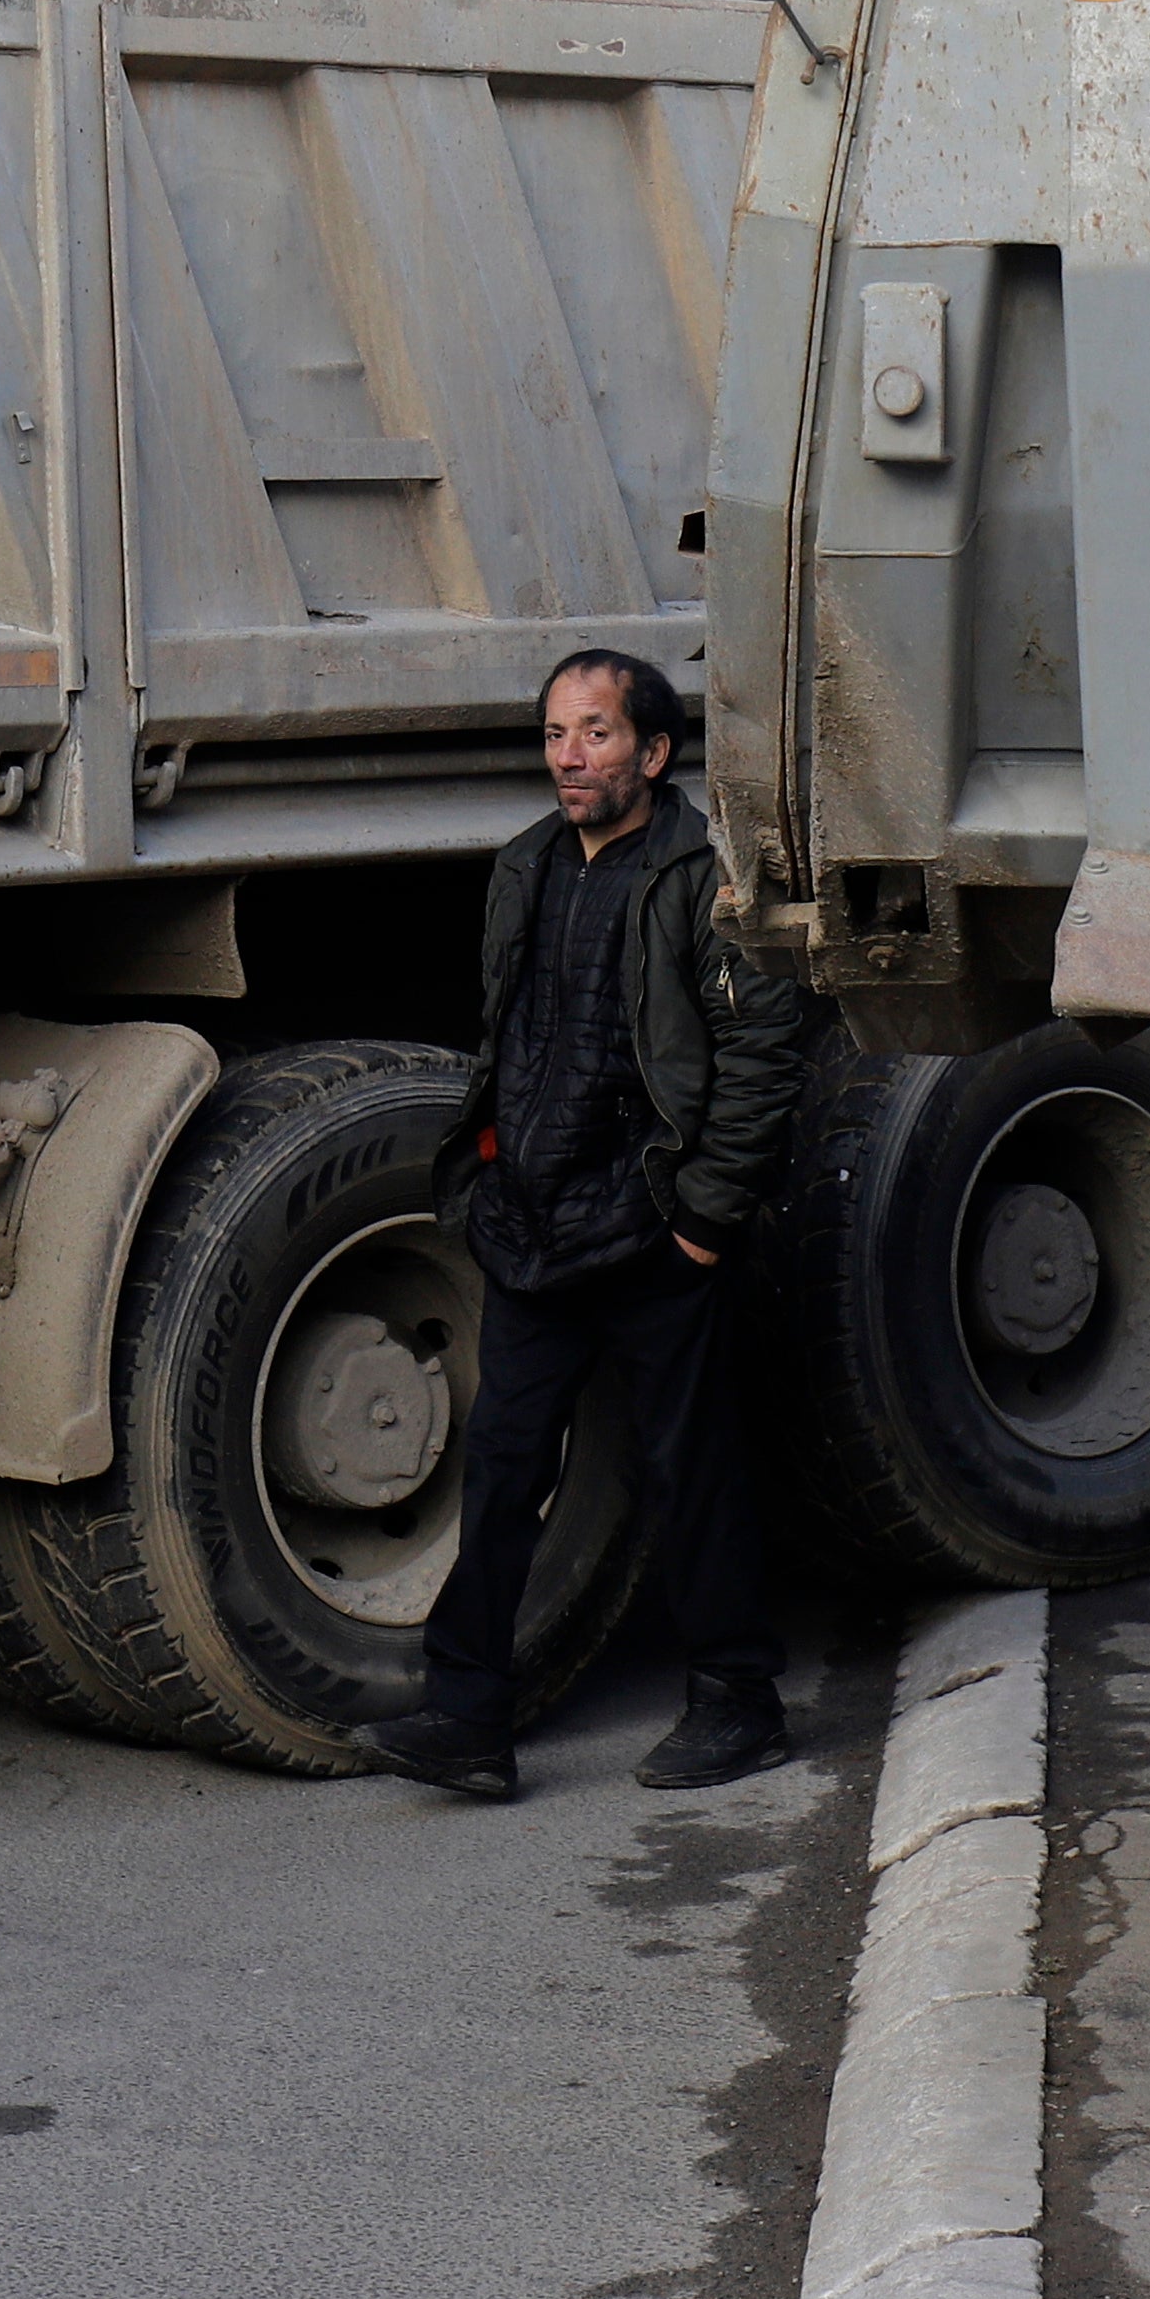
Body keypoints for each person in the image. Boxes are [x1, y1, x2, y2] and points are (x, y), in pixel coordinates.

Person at [355, 645, 806, 1803]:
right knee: (502, 1471)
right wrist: (490, 1189)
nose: (570, 756)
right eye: (557, 734)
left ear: (653, 752)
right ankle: (468, 1719)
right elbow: (516, 1039)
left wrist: (702, 1220)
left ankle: (740, 1703)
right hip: (536, 1230)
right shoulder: (525, 868)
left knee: (687, 1468)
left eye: (595, 734)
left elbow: (762, 1052)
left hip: (653, 1229)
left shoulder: (708, 877)